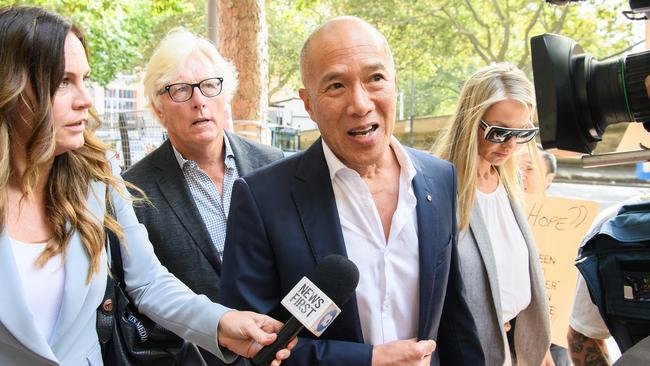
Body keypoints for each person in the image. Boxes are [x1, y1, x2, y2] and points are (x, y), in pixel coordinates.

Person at [0, 6, 294, 365]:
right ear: (11, 86)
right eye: (63, 82)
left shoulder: (98, 177)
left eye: (84, 79)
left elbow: (149, 282)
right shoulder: (138, 182)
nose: (86, 100)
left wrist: (220, 323)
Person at [218, 16, 484, 366]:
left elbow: (453, 316)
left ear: (394, 83)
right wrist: (366, 360)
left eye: (375, 78)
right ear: (309, 104)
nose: (360, 104)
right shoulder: (263, 198)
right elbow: (252, 350)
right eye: (336, 86)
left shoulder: (440, 177)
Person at [122, 28, 283, 365]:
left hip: (280, 352)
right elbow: (142, 300)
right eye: (180, 89)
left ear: (225, 95)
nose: (199, 100)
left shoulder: (272, 165)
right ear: (158, 108)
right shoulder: (133, 192)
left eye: (210, 85)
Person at [433, 63, 553, 366]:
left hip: (516, 345)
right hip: (469, 350)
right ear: (470, 121)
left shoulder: (509, 184)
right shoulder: (439, 188)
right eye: (499, 132)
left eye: (522, 132)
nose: (511, 145)